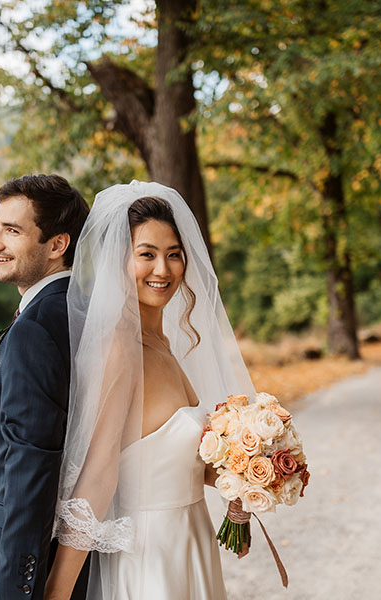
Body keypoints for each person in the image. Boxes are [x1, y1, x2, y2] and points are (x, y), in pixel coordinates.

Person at [45, 181, 256, 600]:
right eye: (147, 254)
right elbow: (98, 475)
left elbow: (175, 461)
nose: (163, 269)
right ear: (118, 262)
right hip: (147, 557)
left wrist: (247, 475)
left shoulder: (165, 346)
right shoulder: (119, 350)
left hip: (189, 541)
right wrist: (58, 591)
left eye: (173, 254)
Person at [0, 174, 92, 600]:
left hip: (32, 556)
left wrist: (17, 586)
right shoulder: (82, 312)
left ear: (57, 245)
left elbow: (31, 467)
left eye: (12, 230)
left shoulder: (36, 328)